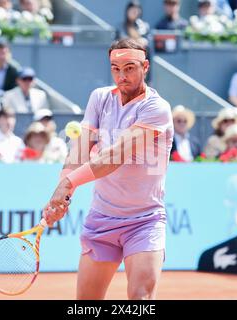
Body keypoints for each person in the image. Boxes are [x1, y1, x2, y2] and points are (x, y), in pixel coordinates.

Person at [43, 39, 173, 300]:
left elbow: (115, 156)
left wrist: (68, 184)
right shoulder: (100, 98)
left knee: (141, 299)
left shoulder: (156, 108)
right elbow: (80, 150)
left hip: (144, 220)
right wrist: (60, 195)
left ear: (145, 66)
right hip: (102, 218)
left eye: (129, 68)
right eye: (115, 68)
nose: (122, 76)